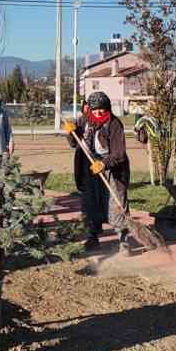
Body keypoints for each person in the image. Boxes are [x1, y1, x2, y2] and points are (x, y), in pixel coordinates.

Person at [66, 91, 131, 251]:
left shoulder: (114, 124)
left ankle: (123, 239)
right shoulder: (84, 120)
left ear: (107, 107)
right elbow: (75, 143)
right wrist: (70, 132)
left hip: (112, 168)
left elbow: (119, 153)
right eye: (94, 110)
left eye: (101, 109)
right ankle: (92, 237)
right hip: (89, 166)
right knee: (90, 204)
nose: (98, 113)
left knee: (116, 203)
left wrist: (104, 164)